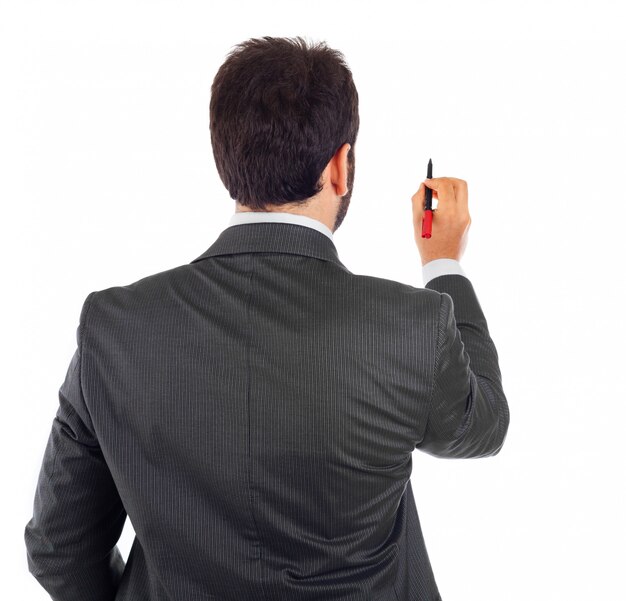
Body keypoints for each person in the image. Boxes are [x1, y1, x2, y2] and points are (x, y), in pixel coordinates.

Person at [24, 36, 510, 601]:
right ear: (340, 167)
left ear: (225, 158)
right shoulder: (410, 326)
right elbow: (483, 425)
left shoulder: (114, 327)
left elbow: (59, 549)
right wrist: (444, 262)